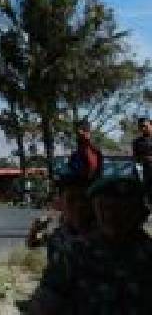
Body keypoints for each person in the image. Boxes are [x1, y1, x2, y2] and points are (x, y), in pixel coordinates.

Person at [28, 176, 152, 314]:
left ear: (140, 213)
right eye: (105, 207)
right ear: (96, 210)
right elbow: (44, 304)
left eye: (124, 209)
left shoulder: (147, 252)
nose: (113, 215)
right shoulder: (74, 253)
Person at [27, 172, 94, 266]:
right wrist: (34, 229)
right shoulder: (58, 235)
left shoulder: (100, 234)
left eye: (83, 199)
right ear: (60, 204)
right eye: (71, 200)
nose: (79, 205)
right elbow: (32, 244)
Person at [67, 119, 103, 183]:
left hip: (88, 179)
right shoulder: (82, 148)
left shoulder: (90, 148)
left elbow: (93, 165)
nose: (79, 132)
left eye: (82, 130)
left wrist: (88, 178)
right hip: (85, 176)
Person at [132, 116, 152, 199]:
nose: (143, 129)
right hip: (146, 174)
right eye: (141, 127)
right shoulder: (137, 142)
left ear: (151, 125)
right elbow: (136, 159)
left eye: (145, 126)